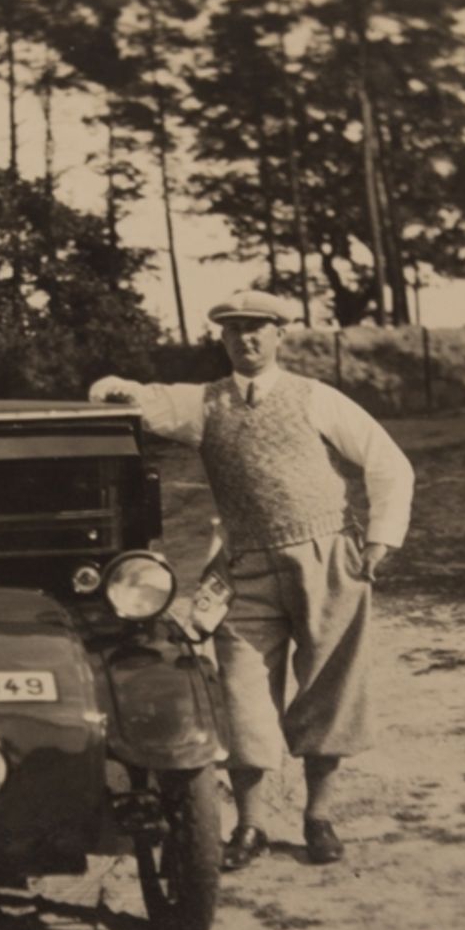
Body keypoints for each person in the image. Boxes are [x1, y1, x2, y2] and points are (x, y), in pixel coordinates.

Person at [89, 289, 414, 870]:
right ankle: (251, 826)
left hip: (327, 557)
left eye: (260, 327)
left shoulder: (317, 398)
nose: (248, 338)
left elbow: (388, 461)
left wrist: (379, 539)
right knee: (240, 696)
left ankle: (319, 818)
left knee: (329, 687)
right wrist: (112, 388)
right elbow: (142, 401)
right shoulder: (204, 404)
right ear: (221, 337)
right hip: (243, 567)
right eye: (235, 328)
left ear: (281, 334)